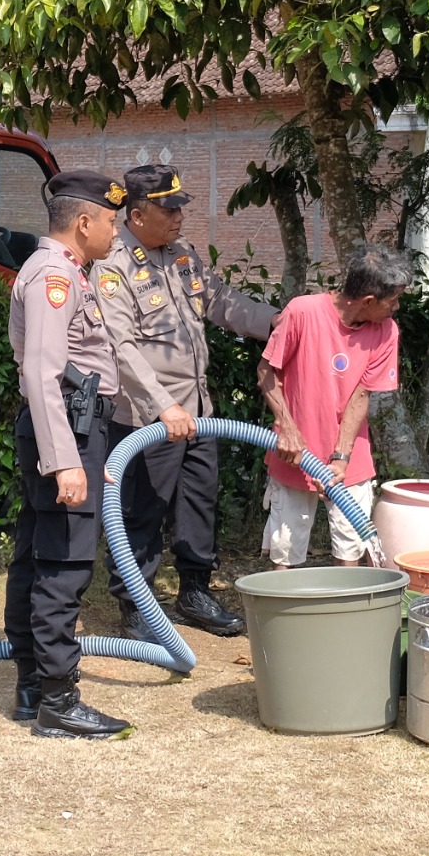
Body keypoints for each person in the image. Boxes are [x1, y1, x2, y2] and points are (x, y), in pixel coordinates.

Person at [93, 163, 278, 640]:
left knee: (198, 503)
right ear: (136, 214)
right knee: (142, 510)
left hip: (198, 411)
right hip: (146, 419)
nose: (178, 217)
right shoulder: (112, 267)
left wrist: (283, 322)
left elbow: (221, 302)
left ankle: (195, 592)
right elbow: (122, 347)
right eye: (167, 208)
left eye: (180, 207)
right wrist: (162, 406)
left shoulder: (182, 257)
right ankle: (136, 605)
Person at [6, 169, 132, 739]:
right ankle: (58, 700)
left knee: (38, 554)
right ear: (83, 223)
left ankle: (35, 685)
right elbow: (42, 369)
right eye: (110, 221)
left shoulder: (64, 272)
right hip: (66, 433)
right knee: (63, 563)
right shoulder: (55, 275)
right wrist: (65, 461)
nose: (115, 231)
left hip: (69, 429)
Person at [255, 246, 411, 566]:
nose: (395, 308)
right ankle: (283, 614)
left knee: (351, 544)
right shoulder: (302, 312)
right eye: (392, 300)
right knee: (286, 548)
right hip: (293, 451)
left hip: (349, 456)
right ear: (369, 301)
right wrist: (287, 428)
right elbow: (266, 372)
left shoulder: (386, 332)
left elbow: (361, 395)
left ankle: (345, 613)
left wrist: (341, 457)